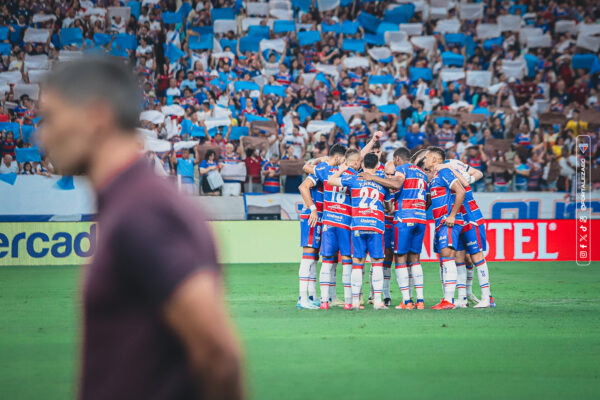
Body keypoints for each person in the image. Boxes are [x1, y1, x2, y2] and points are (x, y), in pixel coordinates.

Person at [38, 57, 242, 400]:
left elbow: (218, 354)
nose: (40, 135)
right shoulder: (129, 202)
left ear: (97, 117)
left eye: (50, 118)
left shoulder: (144, 210)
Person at [360, 147, 428, 309]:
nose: (392, 174)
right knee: (414, 258)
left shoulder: (401, 171)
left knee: (400, 258)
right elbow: (428, 198)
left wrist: (372, 178)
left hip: (404, 218)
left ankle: (406, 301)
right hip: (420, 218)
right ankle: (419, 300)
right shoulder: (421, 173)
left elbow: (396, 184)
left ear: (397, 159)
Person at [328, 152, 390, 310]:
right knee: (376, 263)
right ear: (377, 166)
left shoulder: (354, 179)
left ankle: (355, 301)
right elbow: (390, 207)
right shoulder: (382, 182)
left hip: (357, 226)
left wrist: (342, 169)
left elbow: (330, 180)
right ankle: (377, 301)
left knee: (357, 263)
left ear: (362, 165)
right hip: (376, 225)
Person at [423, 146, 467, 310]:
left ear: (434, 159)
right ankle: (447, 298)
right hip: (440, 223)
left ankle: (449, 300)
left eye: (426, 157)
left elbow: (460, 191)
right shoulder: (435, 178)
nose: (424, 160)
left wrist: (452, 216)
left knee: (448, 257)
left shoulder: (444, 173)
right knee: (444, 258)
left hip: (448, 222)